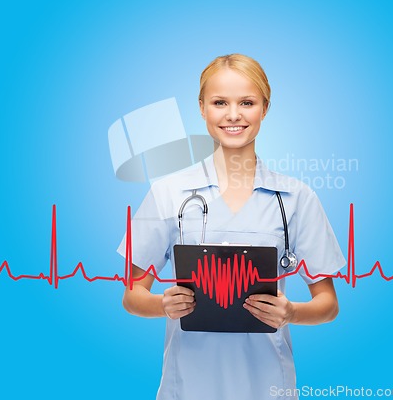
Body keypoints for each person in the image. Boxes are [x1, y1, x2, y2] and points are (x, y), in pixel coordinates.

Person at [117, 53, 346, 400]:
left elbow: (328, 304)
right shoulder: (167, 192)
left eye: (247, 102)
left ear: (265, 108)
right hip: (188, 387)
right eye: (220, 102)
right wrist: (163, 304)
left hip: (267, 385)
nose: (234, 115)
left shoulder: (296, 197)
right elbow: (132, 297)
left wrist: (293, 312)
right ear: (202, 108)